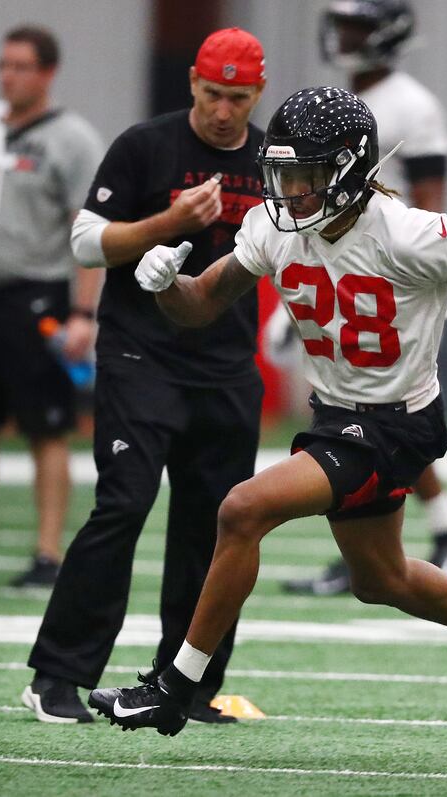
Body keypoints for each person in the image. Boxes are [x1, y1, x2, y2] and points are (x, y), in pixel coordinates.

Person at [88, 86, 447, 736]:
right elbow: (200, 306)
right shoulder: (275, 230)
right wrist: (167, 285)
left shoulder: (406, 231)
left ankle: (174, 686)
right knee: (381, 577)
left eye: (306, 175)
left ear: (348, 170)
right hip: (338, 414)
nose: (290, 190)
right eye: (282, 173)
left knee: (241, 509)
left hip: (396, 423)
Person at [23, 27, 267, 725]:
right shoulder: (145, 145)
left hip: (226, 365)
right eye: (213, 94)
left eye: (238, 98)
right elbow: (85, 241)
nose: (223, 110)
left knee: (216, 526)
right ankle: (57, 674)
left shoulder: (271, 158)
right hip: (141, 355)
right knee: (124, 503)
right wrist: (167, 221)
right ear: (192, 80)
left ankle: (185, 685)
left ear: (259, 92)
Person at [282, 0, 447, 597]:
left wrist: (423, 277)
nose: (347, 37)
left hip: (389, 275)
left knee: (385, 410)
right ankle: (436, 533)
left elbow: (428, 200)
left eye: (358, 27)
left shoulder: (413, 105)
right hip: (340, 269)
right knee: (366, 411)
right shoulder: (345, 98)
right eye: (343, 25)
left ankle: (431, 534)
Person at [0, 26, 104, 587]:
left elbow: (87, 232)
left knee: (46, 426)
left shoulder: (72, 139)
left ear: (47, 72)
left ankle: (46, 552)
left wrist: (83, 313)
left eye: (20, 66)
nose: (8, 76)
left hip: (35, 293)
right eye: (3, 65)